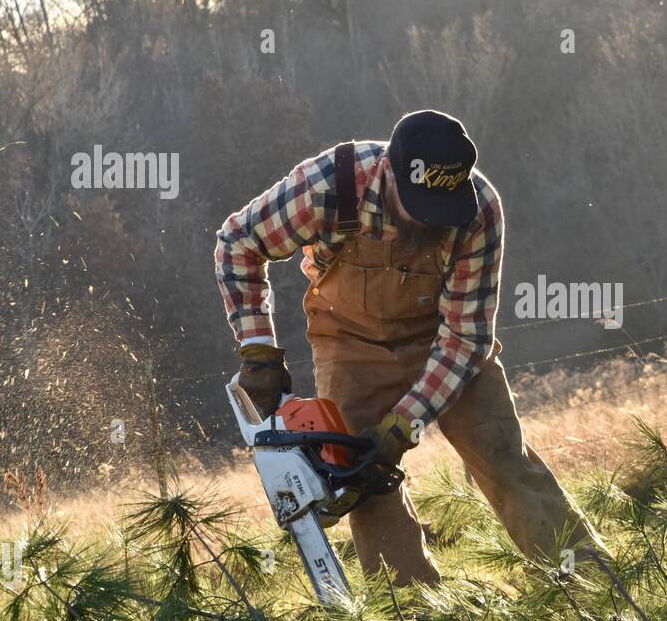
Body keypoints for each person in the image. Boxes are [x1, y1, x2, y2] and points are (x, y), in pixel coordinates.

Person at [214, 109, 605, 585]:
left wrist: (406, 422)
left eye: (444, 210)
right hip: (350, 339)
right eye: (422, 207)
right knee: (363, 479)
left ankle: (592, 589)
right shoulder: (331, 185)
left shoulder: (479, 208)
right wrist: (258, 348)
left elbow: (466, 337)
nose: (434, 221)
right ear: (392, 175)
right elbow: (239, 241)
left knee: (503, 457)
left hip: (446, 336)